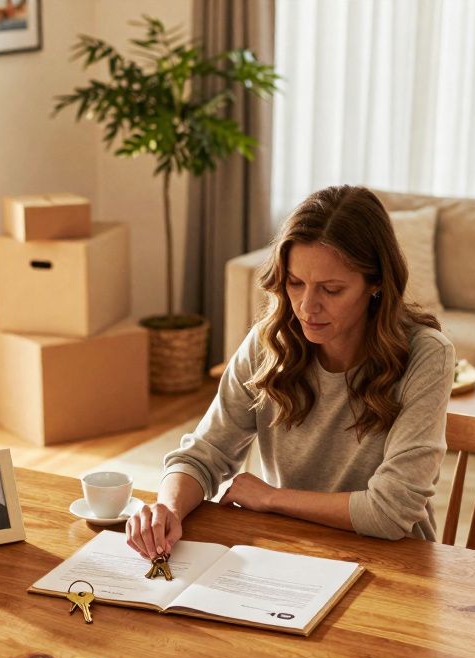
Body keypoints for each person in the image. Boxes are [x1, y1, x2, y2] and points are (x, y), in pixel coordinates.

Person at [126, 185, 455, 559]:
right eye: (295, 283)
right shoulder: (271, 343)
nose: (306, 306)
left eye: (331, 290)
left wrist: (270, 498)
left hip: (391, 562)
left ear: (376, 283)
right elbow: (204, 454)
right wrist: (167, 507)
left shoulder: (426, 355)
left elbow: (391, 511)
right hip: (291, 550)